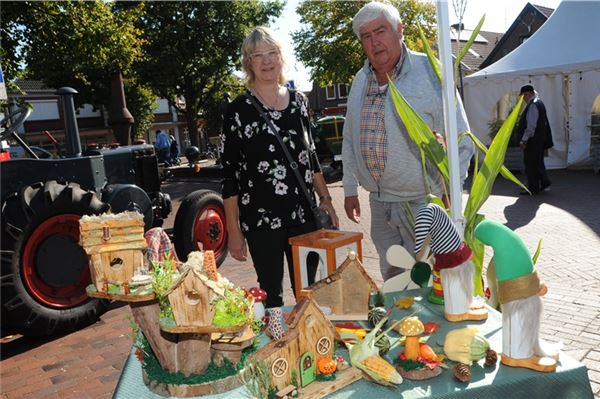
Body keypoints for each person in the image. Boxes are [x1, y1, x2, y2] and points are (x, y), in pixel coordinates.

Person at [341, 2, 474, 282]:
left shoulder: (431, 72)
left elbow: (462, 138)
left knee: (428, 280)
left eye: (381, 30)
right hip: (378, 204)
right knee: (393, 280)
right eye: (366, 36)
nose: (374, 41)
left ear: (400, 30)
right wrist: (350, 188)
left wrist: (453, 194)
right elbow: (350, 137)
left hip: (422, 204)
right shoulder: (359, 81)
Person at [220, 27, 339, 309]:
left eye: (272, 53)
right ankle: (278, 349)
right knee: (271, 296)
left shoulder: (299, 102)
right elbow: (230, 176)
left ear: (281, 57)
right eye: (257, 55)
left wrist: (326, 199)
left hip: (303, 216)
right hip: (261, 221)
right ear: (249, 63)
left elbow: (310, 158)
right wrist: (234, 232)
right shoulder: (238, 110)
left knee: (307, 293)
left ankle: (309, 348)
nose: (266, 61)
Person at [516, 85, 553, 195]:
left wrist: (523, 141)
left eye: (523, 96)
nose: (523, 98)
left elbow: (531, 127)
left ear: (529, 94)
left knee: (531, 164)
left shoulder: (533, 105)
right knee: (537, 163)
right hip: (539, 139)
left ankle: (533, 188)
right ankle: (544, 183)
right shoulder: (539, 102)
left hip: (533, 140)